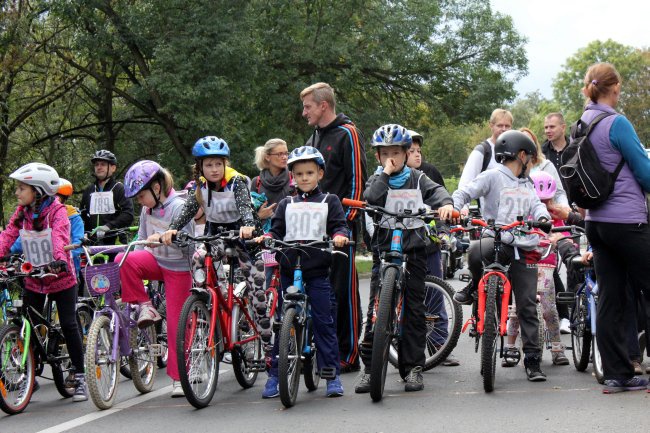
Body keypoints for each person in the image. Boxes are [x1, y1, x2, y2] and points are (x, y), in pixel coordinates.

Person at [356, 124, 454, 393]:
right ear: (377, 156)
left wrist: (446, 204)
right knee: (375, 310)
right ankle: (368, 369)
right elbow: (371, 197)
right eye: (385, 153)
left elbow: (438, 192)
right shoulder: (377, 179)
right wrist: (386, 174)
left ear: (406, 152)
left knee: (414, 308)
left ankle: (412, 368)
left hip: (413, 248)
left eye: (396, 153)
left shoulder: (418, 178)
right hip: (384, 250)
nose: (391, 158)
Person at [452, 130, 550, 381]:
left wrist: (543, 217)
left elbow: (537, 204)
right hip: (497, 241)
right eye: (529, 157)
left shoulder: (527, 184)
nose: (530, 162)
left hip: (524, 247)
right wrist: (454, 207)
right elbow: (465, 191)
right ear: (521, 155)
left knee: (527, 304)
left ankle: (532, 360)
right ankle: (476, 286)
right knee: (476, 249)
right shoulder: (493, 176)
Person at [575, 62, 650, 393]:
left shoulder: (582, 123)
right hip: (627, 222)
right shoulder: (616, 123)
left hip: (596, 223)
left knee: (610, 297)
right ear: (615, 88)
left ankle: (618, 374)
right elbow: (645, 173)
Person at [255, 146, 349, 398]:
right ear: (292, 177)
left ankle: (330, 374)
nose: (304, 177)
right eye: (299, 173)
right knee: (282, 322)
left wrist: (339, 236)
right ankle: (275, 375)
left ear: (320, 173)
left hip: (317, 269)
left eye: (310, 172)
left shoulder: (330, 200)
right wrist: (267, 237)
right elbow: (276, 230)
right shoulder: (287, 203)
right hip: (289, 266)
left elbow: (340, 225)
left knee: (323, 320)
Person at [160, 136, 271, 350]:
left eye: (218, 164)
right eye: (209, 165)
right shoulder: (200, 187)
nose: (214, 169)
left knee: (258, 298)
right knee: (198, 258)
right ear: (200, 167)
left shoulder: (236, 182)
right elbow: (188, 210)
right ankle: (208, 300)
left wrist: (248, 225)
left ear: (225, 164)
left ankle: (268, 350)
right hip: (217, 238)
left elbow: (245, 207)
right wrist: (172, 228)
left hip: (246, 241)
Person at [0, 163, 87, 401]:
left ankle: (80, 376)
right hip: (34, 278)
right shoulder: (22, 213)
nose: (17, 193)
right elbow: (7, 236)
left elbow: (59, 236)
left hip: (60, 276)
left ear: (37, 190)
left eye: (21, 188)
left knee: (69, 324)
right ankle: (30, 374)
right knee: (28, 323)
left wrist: (59, 259)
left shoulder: (58, 212)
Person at [301, 82, 367, 372]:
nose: (304, 113)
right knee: (317, 290)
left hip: (340, 229)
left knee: (343, 291)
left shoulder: (347, 133)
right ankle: (321, 350)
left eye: (308, 107)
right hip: (312, 226)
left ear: (323, 106)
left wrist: (345, 226)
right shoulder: (314, 135)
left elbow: (358, 181)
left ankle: (348, 354)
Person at [115, 160, 193, 398]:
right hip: (157, 262)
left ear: (157, 187)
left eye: (141, 196)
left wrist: (169, 237)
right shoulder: (146, 210)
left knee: (176, 325)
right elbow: (140, 240)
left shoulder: (179, 207)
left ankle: (181, 377)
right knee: (123, 257)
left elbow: (190, 245)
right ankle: (145, 306)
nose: (139, 202)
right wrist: (144, 244)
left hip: (179, 268)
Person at [405, 129, 460, 367]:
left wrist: (443, 232)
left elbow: (442, 202)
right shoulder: (389, 178)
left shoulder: (428, 174)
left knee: (435, 294)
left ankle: (439, 344)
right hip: (401, 245)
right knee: (402, 296)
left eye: (419, 150)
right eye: (411, 151)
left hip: (428, 243)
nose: (417, 155)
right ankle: (398, 344)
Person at [503, 171, 569, 367]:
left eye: (548, 200)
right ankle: (510, 347)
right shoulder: (523, 211)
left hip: (547, 265)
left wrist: (561, 238)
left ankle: (557, 348)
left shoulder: (555, 216)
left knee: (550, 310)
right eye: (541, 201)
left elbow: (563, 231)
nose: (545, 205)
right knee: (517, 310)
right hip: (525, 264)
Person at [523, 127, 572, 334]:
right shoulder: (509, 168)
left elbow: (558, 192)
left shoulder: (545, 165)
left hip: (548, 222)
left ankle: (563, 319)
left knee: (551, 277)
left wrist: (564, 212)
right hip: (525, 222)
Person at [11, 178, 85, 283]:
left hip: (64, 271)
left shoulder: (74, 217)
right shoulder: (37, 216)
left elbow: (78, 243)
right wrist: (8, 251)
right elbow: (22, 240)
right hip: (37, 271)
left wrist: (61, 258)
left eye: (57, 197)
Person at [457, 108, 513, 216]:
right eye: (500, 125)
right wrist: (463, 207)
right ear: (491, 125)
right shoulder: (483, 151)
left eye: (507, 126)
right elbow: (467, 180)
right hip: (489, 217)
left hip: (512, 214)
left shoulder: (514, 151)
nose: (504, 129)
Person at [79, 150, 134, 245]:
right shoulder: (89, 190)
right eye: (96, 165)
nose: (99, 167)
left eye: (103, 164)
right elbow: (82, 215)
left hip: (115, 242)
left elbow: (128, 214)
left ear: (113, 168)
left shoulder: (119, 188)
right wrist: (83, 232)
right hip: (92, 243)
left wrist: (108, 226)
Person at [541, 113, 570, 191]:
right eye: (546, 127)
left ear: (563, 128)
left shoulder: (575, 149)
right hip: (549, 200)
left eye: (552, 127)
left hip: (575, 201)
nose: (548, 131)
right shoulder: (541, 152)